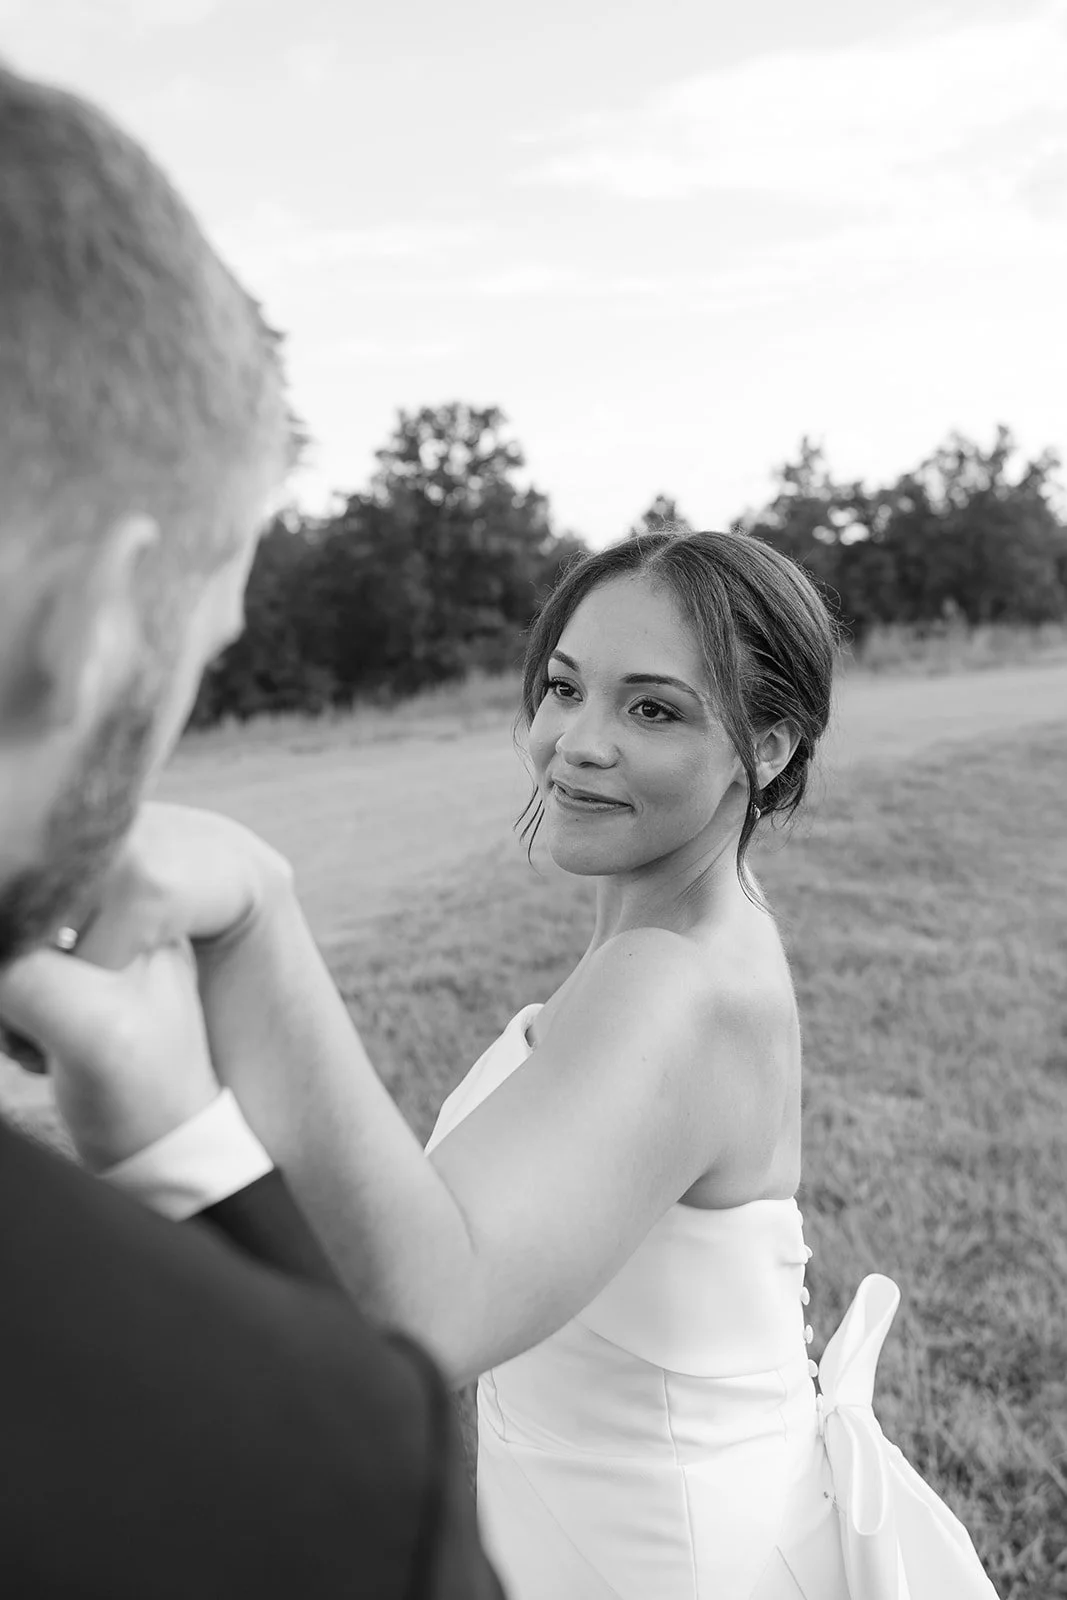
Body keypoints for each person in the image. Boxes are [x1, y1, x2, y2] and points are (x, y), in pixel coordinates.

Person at [5, 523, 1004, 1595]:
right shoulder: (665, 947)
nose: (575, 739)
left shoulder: (678, 981)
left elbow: (431, 1308)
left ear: (764, 747)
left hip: (663, 1558)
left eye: (652, 708)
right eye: (565, 687)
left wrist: (262, 917)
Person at [0, 61, 503, 1599]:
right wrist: (189, 1162)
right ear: (90, 624)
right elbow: (369, 1412)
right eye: (200, 652)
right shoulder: (303, 1472)